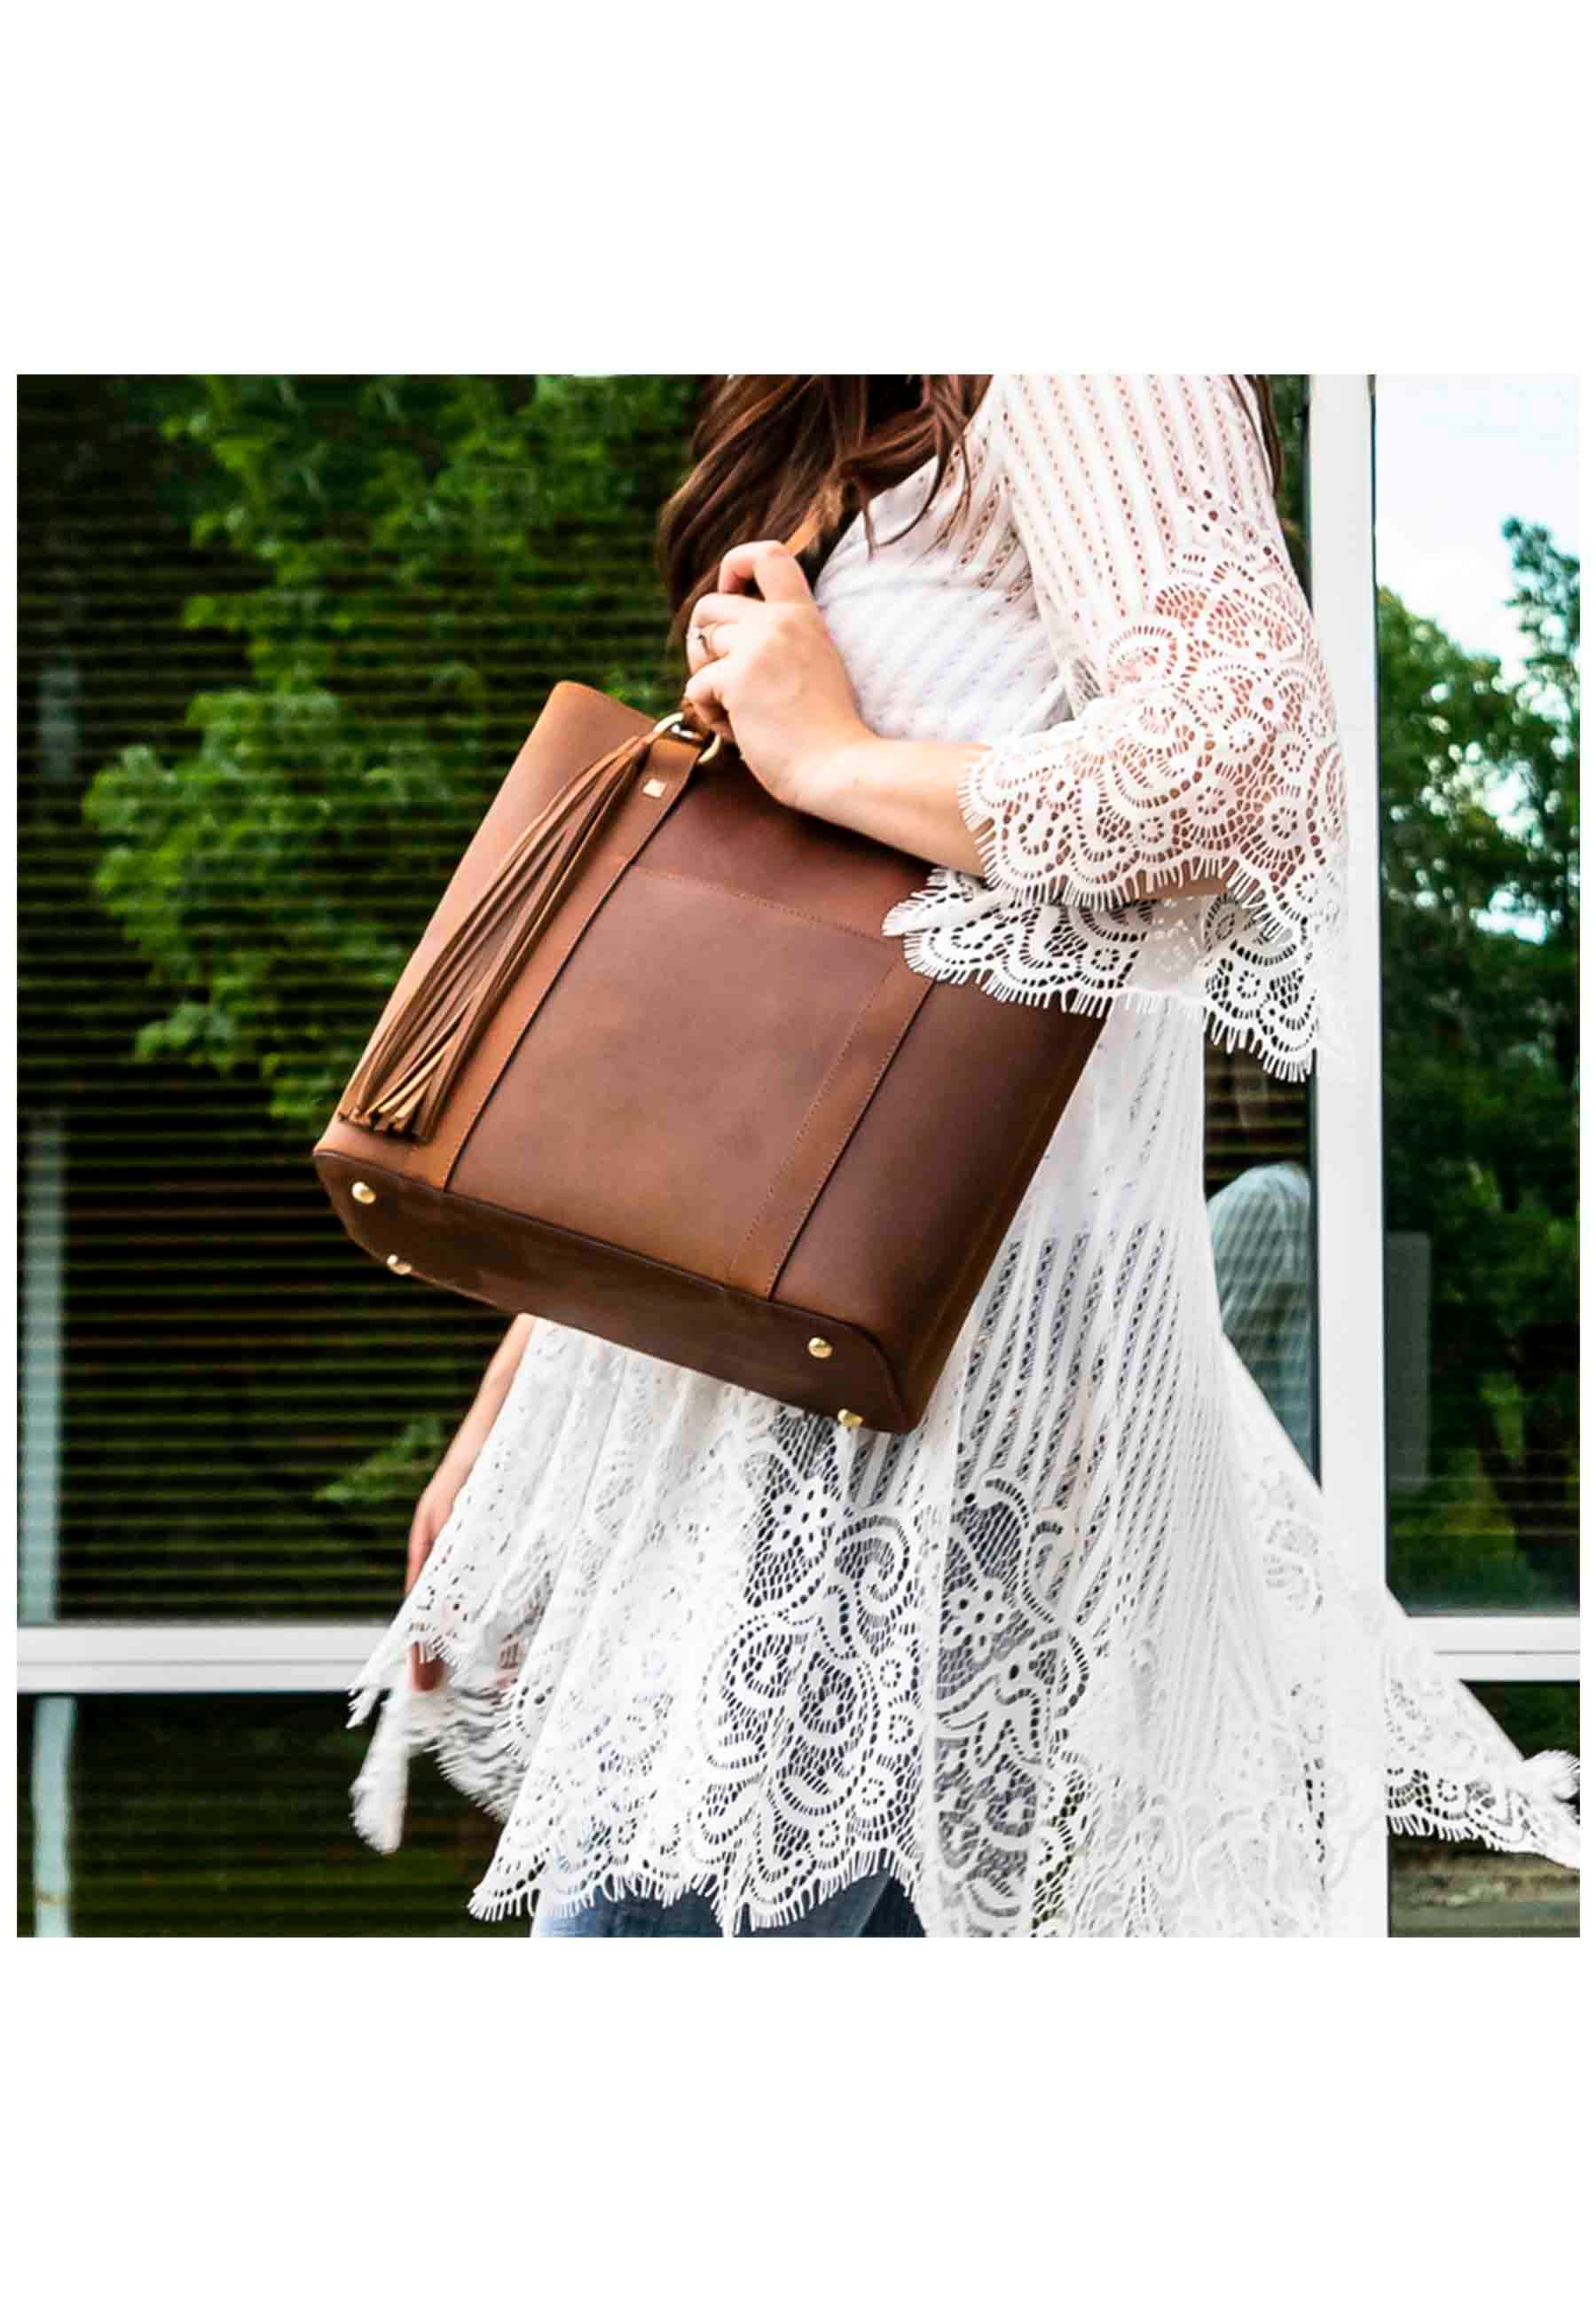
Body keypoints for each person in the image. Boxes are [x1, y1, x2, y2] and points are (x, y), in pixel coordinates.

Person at [346, 374, 1579, 1937]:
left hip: (914, 1455)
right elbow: (723, 1055)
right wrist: (502, 1420)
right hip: (744, 1445)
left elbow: (1244, 752)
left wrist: (834, 758)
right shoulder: (856, 444)